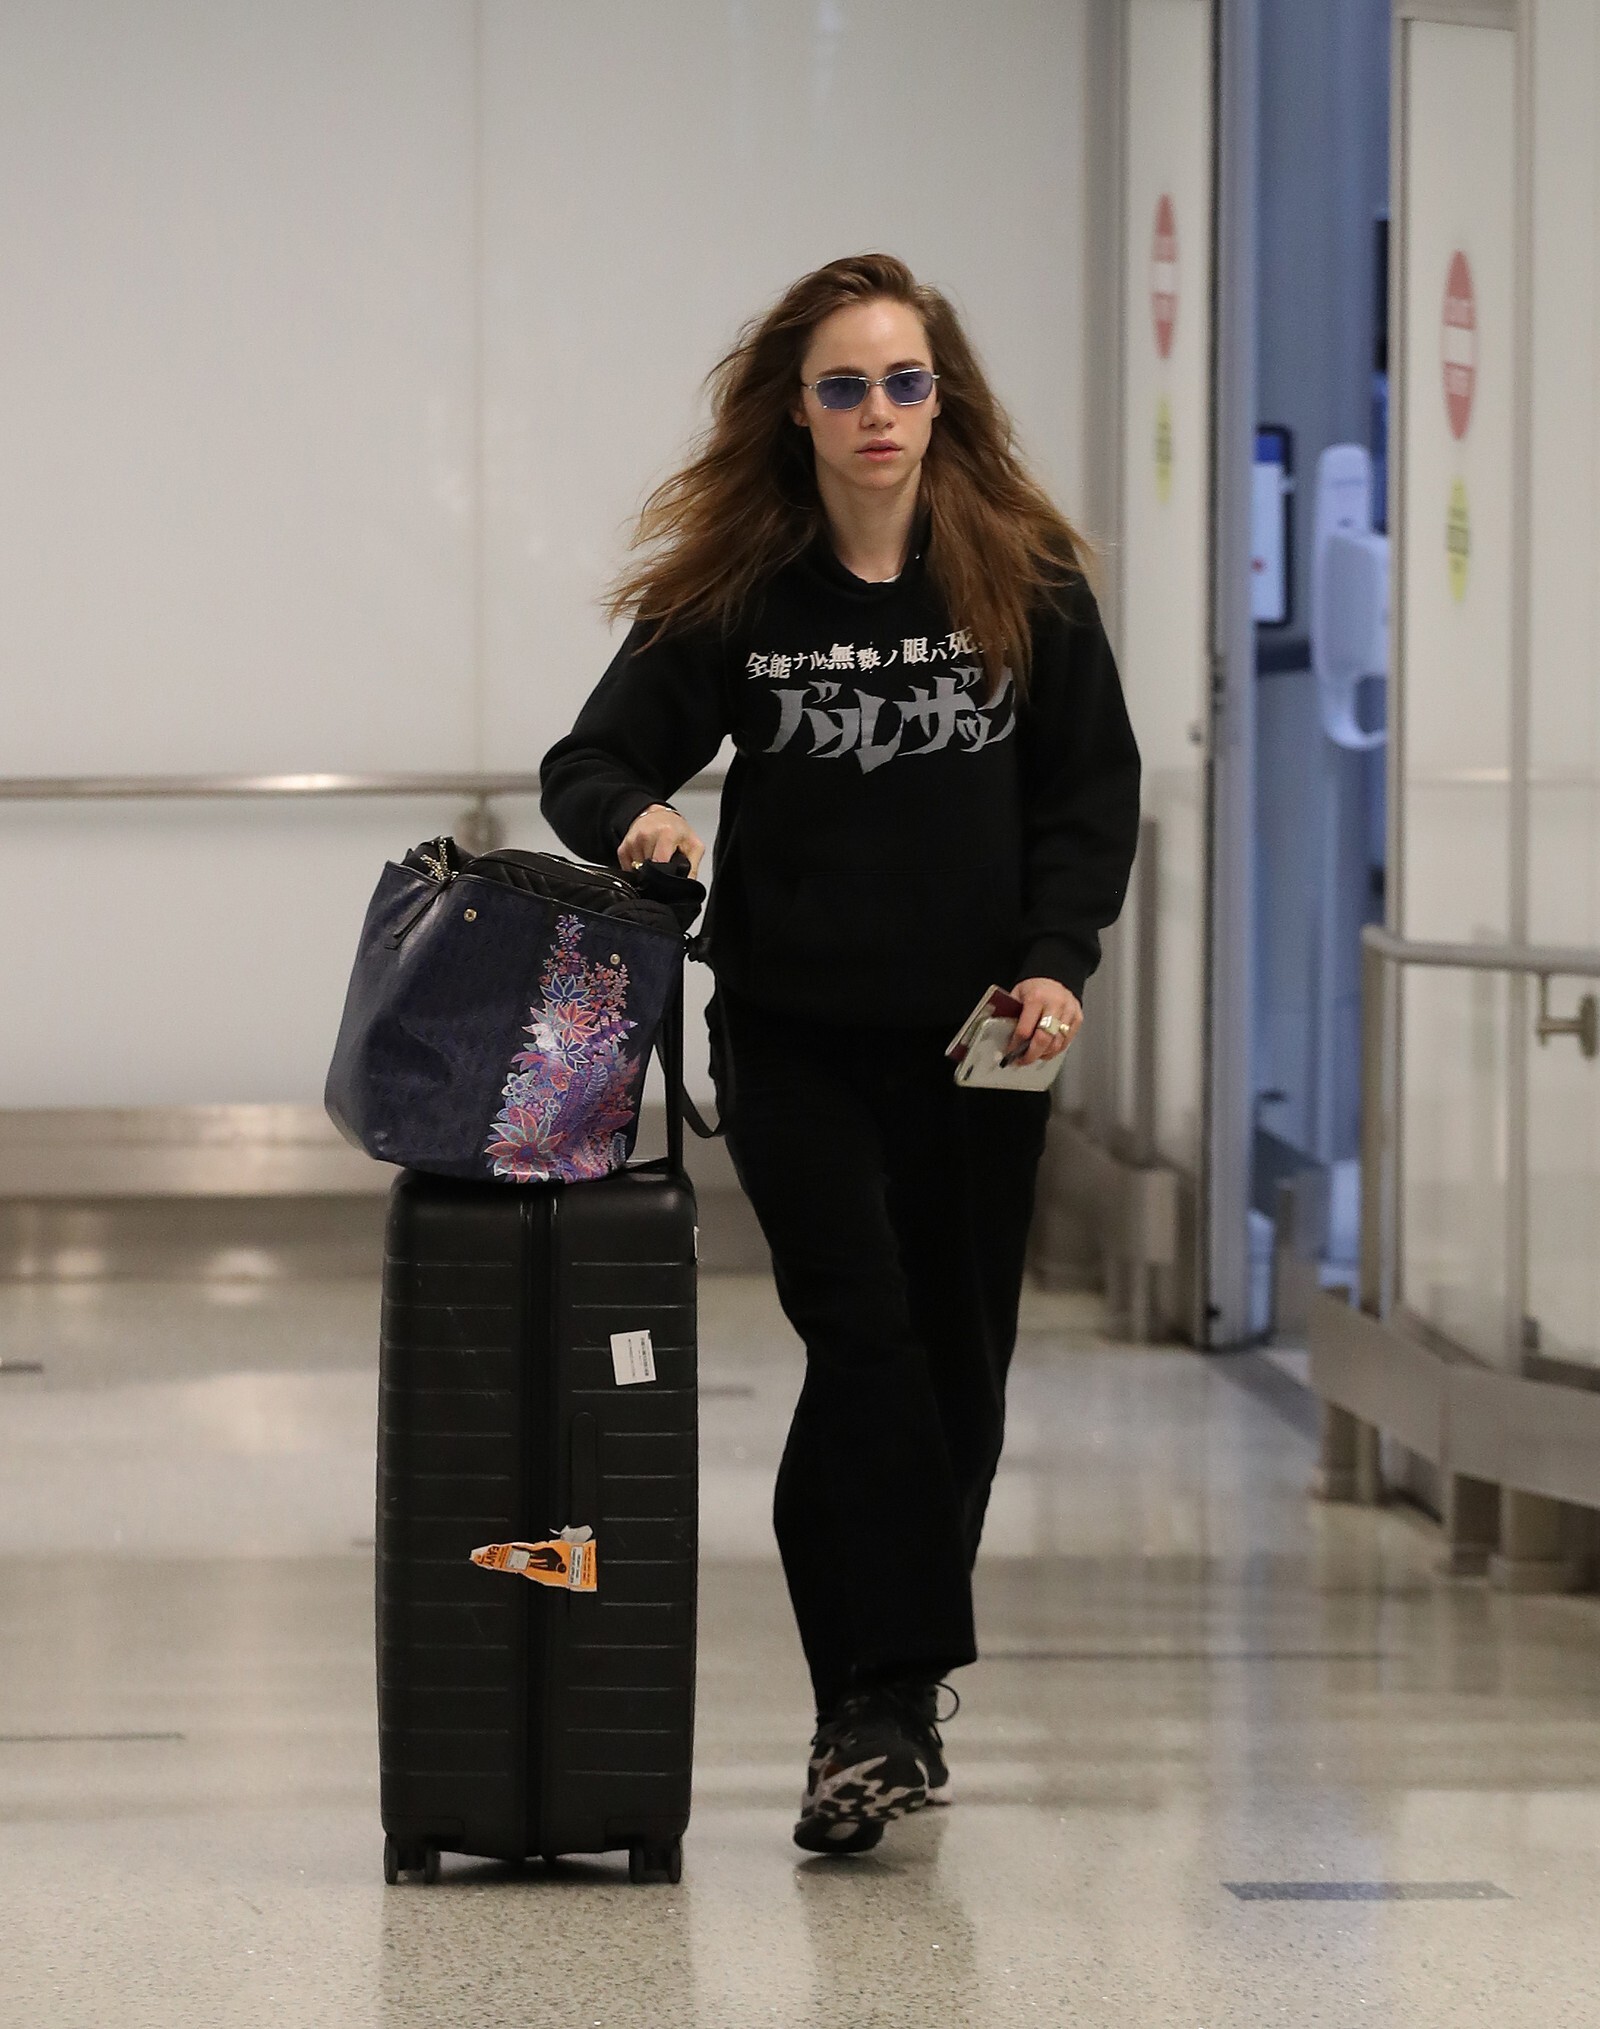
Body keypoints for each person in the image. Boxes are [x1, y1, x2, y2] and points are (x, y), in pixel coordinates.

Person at [540, 252, 1140, 1856]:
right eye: (846, 386)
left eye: (906, 381)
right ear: (797, 411)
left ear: (944, 400)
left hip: (981, 1046)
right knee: (867, 1340)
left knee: (959, 1376)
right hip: (795, 1035)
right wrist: (640, 815)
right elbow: (587, 758)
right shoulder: (745, 593)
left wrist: (1055, 957)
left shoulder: (1024, 579)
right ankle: (869, 1709)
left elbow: (1089, 797)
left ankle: (887, 1701)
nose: (880, 411)